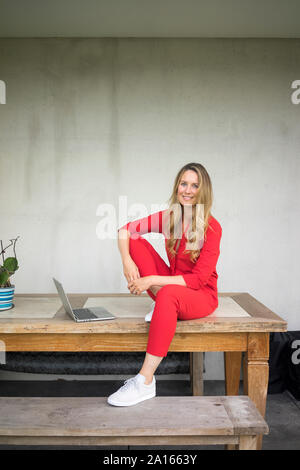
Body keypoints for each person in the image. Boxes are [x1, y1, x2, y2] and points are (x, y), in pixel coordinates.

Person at [107, 162, 222, 407]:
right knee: (134, 240)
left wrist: (150, 280)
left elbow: (198, 279)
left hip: (200, 295)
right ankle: (165, 307)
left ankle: (145, 381)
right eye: (183, 183)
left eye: (194, 185)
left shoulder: (212, 228)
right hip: (171, 288)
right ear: (177, 186)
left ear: (204, 191)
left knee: (168, 294)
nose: (188, 190)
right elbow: (124, 230)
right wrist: (127, 261)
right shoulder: (170, 218)